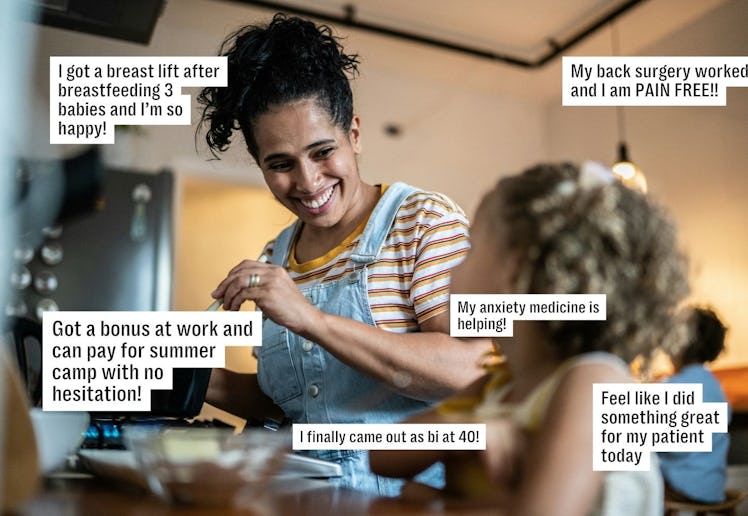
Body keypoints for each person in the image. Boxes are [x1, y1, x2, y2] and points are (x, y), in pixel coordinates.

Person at [196, 13, 490, 496]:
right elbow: (293, 410)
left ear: (354, 134)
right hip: (299, 498)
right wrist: (189, 376)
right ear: (260, 164)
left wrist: (311, 319)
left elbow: (471, 369)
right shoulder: (276, 255)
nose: (308, 182)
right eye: (280, 164)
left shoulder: (423, 222)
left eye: (322, 151)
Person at [370, 162, 690, 515]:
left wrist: (434, 504)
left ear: (515, 270)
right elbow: (382, 455)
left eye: (471, 248)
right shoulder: (497, 385)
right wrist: (461, 427)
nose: (454, 267)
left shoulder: (593, 381)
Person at [658, 306, 731, 504]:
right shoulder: (715, 386)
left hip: (683, 484)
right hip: (713, 486)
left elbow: (673, 446)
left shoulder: (674, 387)